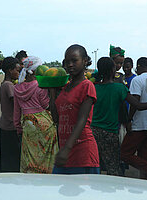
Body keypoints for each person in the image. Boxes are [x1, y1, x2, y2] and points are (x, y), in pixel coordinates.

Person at [91, 57, 147, 176]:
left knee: (120, 155)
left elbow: (135, 105)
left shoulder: (94, 88)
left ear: (137, 67)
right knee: (142, 157)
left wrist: (129, 120)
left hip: (135, 125)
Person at [50, 44, 100, 174]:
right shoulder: (65, 87)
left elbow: (82, 120)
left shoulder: (87, 86)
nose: (70, 65)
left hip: (82, 152)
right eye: (67, 62)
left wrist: (66, 149)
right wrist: (52, 92)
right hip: (65, 153)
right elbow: (56, 119)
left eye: (74, 60)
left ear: (85, 61)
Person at [13, 56, 58, 173]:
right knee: (46, 157)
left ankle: (31, 180)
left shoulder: (17, 88)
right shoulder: (40, 86)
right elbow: (45, 105)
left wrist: (18, 129)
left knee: (30, 157)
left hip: (28, 126)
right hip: (45, 125)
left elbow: (16, 113)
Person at [0, 57, 21, 172]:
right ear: (10, 70)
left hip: (4, 125)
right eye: (17, 70)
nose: (19, 73)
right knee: (13, 159)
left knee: (6, 158)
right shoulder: (9, 86)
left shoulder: (4, 84)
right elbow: (16, 103)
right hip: (11, 126)